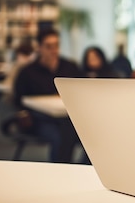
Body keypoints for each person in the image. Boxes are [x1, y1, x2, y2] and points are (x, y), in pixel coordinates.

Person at [13, 28, 87, 163]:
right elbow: (19, 99)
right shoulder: (28, 72)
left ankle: (80, 169)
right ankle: (62, 172)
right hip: (40, 119)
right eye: (49, 46)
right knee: (61, 136)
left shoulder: (70, 67)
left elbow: (83, 90)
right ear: (40, 48)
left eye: (56, 45)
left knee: (92, 135)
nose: (54, 50)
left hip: (68, 117)